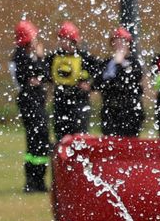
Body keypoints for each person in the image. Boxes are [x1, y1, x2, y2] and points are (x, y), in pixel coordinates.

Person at [10, 20, 51, 192]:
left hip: (35, 102)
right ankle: (32, 181)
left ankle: (38, 180)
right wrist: (40, 58)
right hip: (30, 104)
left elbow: (44, 76)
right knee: (36, 139)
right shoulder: (21, 56)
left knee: (40, 140)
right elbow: (37, 75)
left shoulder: (26, 56)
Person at [47, 20, 99, 143]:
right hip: (60, 101)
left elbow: (101, 71)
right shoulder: (54, 56)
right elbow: (44, 73)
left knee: (79, 136)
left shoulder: (84, 57)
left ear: (73, 40)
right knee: (61, 135)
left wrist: (91, 86)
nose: (63, 42)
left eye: (65, 39)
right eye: (61, 39)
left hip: (79, 102)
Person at [96, 27, 146, 137]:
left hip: (129, 111)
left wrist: (119, 64)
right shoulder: (106, 63)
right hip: (110, 110)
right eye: (116, 41)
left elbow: (128, 83)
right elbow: (98, 83)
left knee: (129, 141)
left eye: (122, 41)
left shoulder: (134, 63)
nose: (119, 44)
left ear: (129, 44)